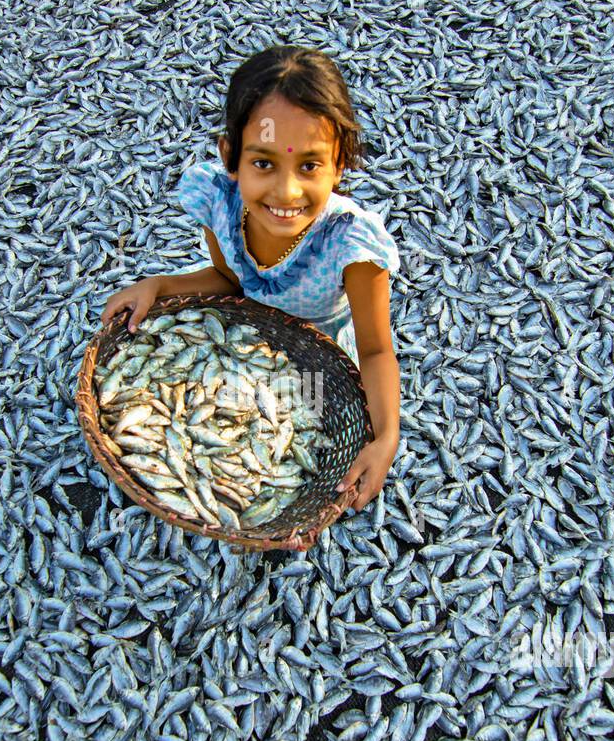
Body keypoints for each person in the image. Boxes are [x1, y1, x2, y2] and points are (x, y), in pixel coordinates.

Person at [101, 45, 401, 523]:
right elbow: (229, 280)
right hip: (244, 344)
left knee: (314, 448)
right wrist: (158, 286)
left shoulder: (352, 246)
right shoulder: (221, 204)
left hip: (324, 356)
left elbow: (376, 351)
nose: (286, 192)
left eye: (309, 165)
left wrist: (386, 438)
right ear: (231, 157)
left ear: (339, 164)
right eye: (263, 163)